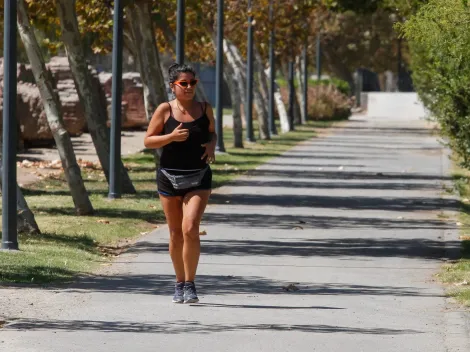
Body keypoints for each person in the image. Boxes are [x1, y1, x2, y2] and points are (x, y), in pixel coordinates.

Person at [144, 63, 216, 304]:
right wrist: (171, 137)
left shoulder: (205, 109)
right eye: (183, 83)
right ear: (173, 86)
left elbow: (212, 132)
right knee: (175, 233)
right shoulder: (165, 110)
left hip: (199, 176)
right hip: (169, 177)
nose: (188, 87)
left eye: (192, 83)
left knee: (190, 228)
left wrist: (212, 144)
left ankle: (191, 284)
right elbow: (148, 141)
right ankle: (179, 282)